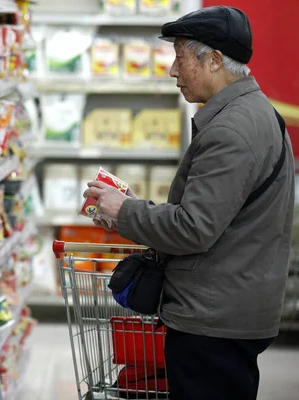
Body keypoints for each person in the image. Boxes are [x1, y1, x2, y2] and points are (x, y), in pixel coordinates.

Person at [83, 6, 295, 400]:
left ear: (214, 60)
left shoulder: (231, 130)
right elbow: (222, 216)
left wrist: (125, 211)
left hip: (212, 319)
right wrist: (132, 209)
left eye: (180, 56)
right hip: (232, 306)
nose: (173, 70)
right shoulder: (252, 114)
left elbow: (193, 228)